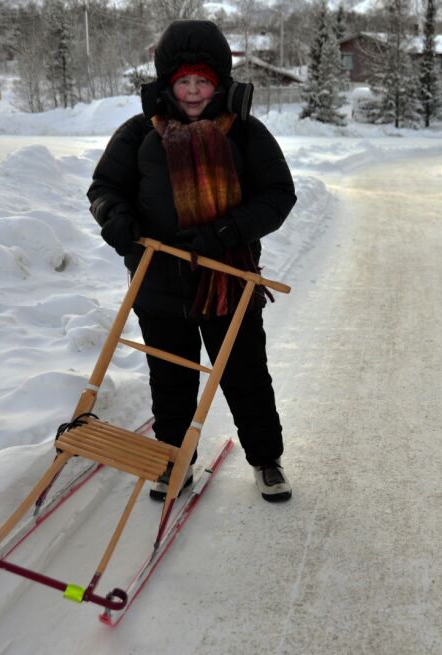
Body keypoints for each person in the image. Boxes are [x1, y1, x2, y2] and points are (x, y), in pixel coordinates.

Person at [87, 20, 295, 503]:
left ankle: (267, 460)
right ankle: (173, 461)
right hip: (158, 279)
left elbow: (278, 195)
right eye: (184, 81)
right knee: (171, 379)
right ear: (168, 83)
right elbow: (104, 189)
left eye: (204, 81)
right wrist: (115, 221)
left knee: (245, 375)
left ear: (219, 82)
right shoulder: (140, 132)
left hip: (227, 278)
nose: (194, 91)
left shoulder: (244, 133)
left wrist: (227, 230)